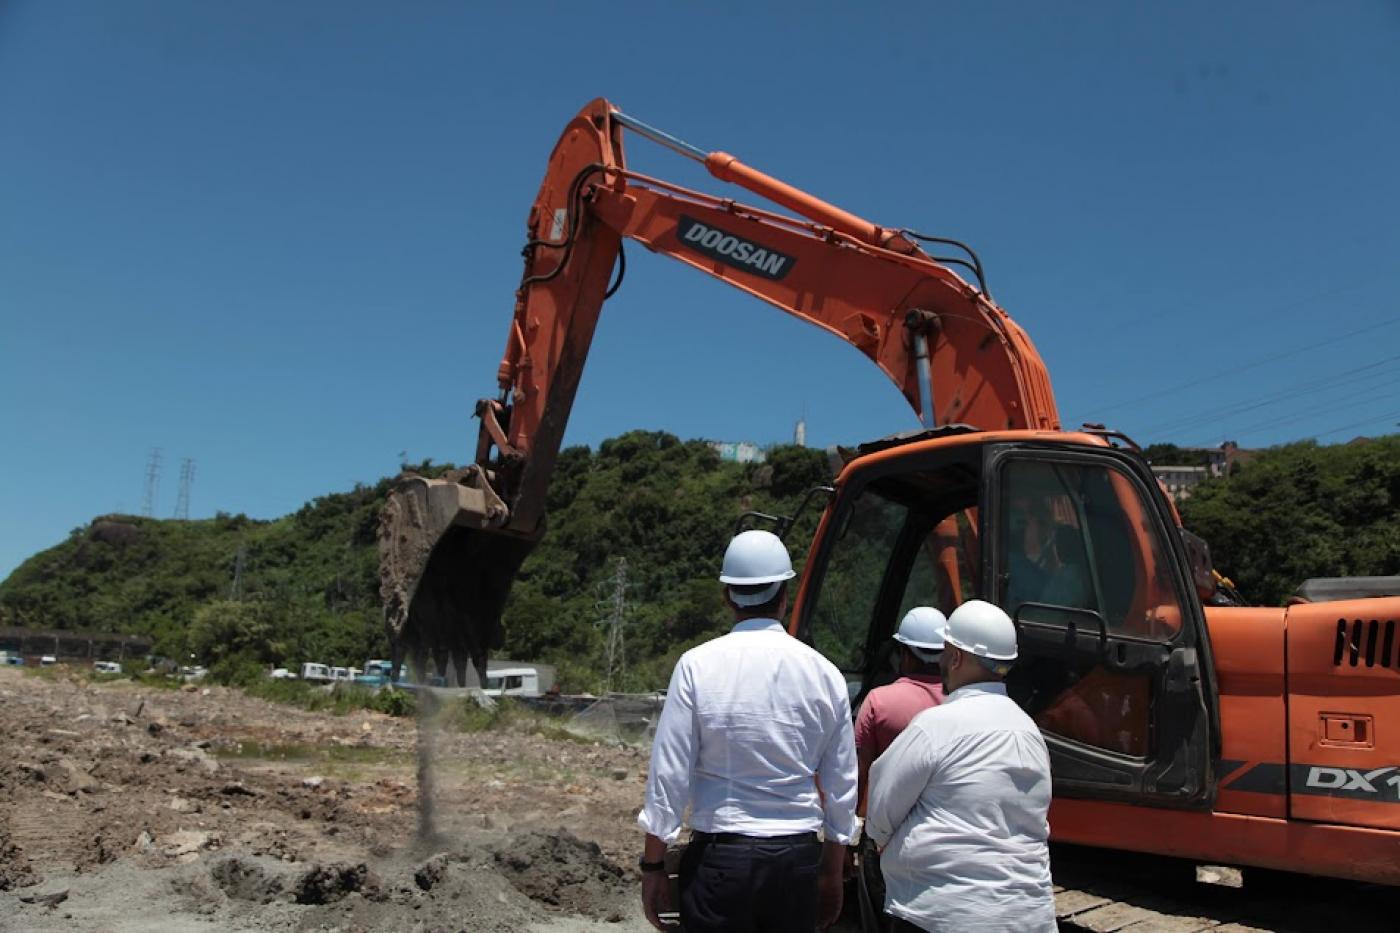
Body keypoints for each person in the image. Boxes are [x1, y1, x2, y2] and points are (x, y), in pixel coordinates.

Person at [637, 529, 858, 932]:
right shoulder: (825, 673)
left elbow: (669, 777)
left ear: (727, 596)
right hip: (797, 862)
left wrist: (652, 864)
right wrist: (830, 869)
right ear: (785, 592)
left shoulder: (696, 666)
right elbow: (841, 784)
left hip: (721, 864)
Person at [866, 599, 1054, 933]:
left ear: (955, 657)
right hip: (1028, 916)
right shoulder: (1029, 733)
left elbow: (881, 810)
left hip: (940, 913)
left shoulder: (935, 726)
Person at [850, 607, 948, 929]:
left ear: (904, 653)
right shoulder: (960, 702)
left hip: (884, 839)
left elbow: (860, 775)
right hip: (942, 835)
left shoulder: (879, 702)